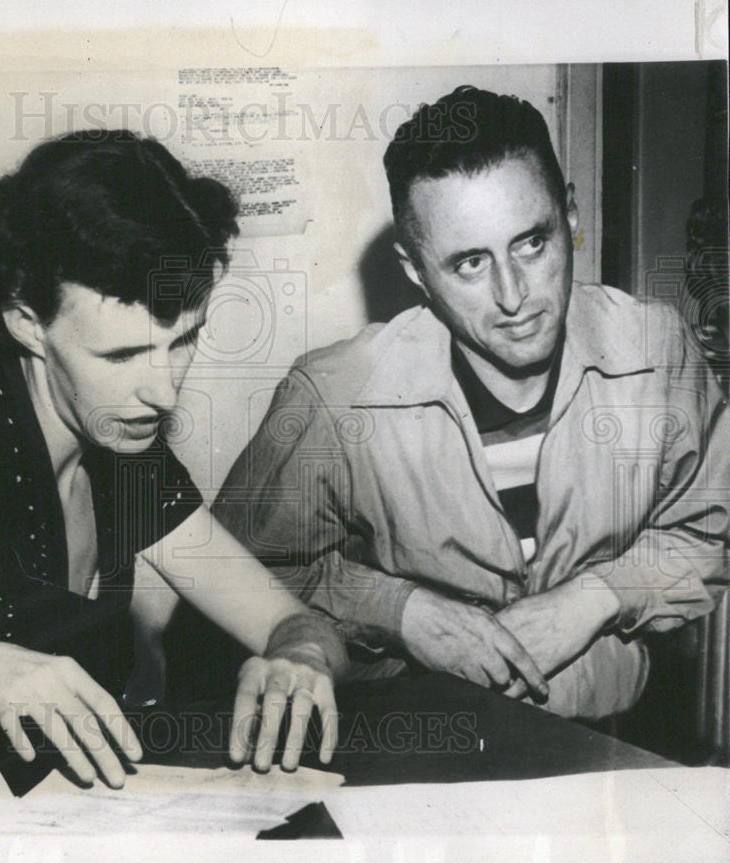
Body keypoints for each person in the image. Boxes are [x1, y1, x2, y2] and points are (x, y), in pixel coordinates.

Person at [0, 130, 349, 784]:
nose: (162, 392)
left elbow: (291, 620)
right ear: (26, 320)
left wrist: (298, 654)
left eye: (183, 340)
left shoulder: (125, 448)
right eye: (122, 355)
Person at [212, 86, 728, 719]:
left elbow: (710, 530)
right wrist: (401, 612)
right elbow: (237, 577)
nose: (514, 297)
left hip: (611, 746)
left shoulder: (657, 350)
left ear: (570, 217)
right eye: (469, 264)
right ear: (415, 271)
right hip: (415, 747)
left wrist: (593, 598)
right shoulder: (334, 397)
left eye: (531, 243)